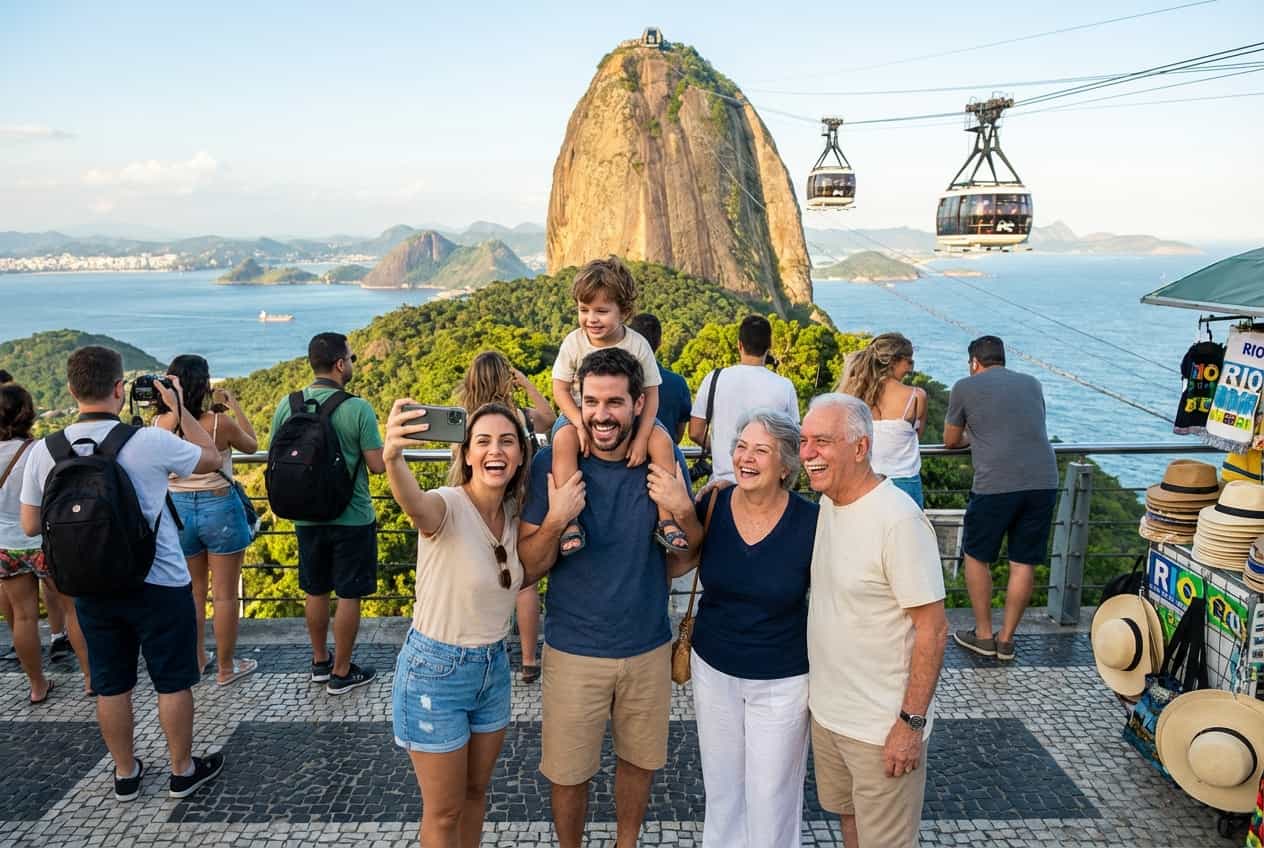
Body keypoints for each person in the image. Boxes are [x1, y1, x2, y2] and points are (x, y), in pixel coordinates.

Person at [20, 345, 226, 801]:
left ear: (72, 390)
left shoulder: (45, 451)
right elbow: (211, 458)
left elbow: (32, 525)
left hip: (89, 584)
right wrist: (176, 408)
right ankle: (181, 770)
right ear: (119, 389)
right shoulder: (148, 441)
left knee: (112, 684)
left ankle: (125, 773)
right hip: (160, 581)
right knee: (172, 680)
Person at [519, 347, 700, 848]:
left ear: (638, 404)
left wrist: (683, 511)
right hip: (574, 650)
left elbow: (687, 554)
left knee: (639, 763)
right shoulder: (549, 466)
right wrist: (558, 518)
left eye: (615, 402)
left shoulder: (664, 459)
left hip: (646, 646)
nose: (602, 415)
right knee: (568, 772)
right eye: (592, 401)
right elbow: (528, 568)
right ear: (578, 401)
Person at [385, 398, 580, 848]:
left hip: (493, 669)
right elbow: (414, 504)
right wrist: (394, 457)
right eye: (484, 441)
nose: (496, 450)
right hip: (435, 675)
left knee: (475, 797)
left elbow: (532, 567)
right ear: (467, 454)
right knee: (444, 810)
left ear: (520, 455)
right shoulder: (448, 506)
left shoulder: (514, 517)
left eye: (507, 441)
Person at [801, 393, 948, 848]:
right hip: (829, 717)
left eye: (822, 442)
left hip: (880, 729)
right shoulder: (830, 503)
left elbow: (933, 629)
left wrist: (910, 723)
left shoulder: (899, 521)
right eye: (804, 441)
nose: (807, 453)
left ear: (860, 448)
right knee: (851, 827)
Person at [674, 408, 818, 847]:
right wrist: (679, 507)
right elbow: (677, 563)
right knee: (722, 792)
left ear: (786, 465)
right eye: (740, 447)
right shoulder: (712, 503)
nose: (746, 458)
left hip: (783, 679)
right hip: (713, 669)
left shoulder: (811, 523)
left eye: (761, 450)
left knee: (772, 795)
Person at [270, 332, 385, 694]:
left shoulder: (287, 406)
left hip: (305, 515)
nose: (352, 363)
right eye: (350, 358)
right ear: (340, 364)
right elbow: (378, 466)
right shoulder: (357, 408)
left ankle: (320, 661)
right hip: (351, 517)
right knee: (349, 594)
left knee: (315, 590)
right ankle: (342, 670)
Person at [550, 257, 687, 556]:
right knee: (562, 441)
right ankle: (569, 521)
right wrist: (576, 423)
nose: (591, 319)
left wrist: (641, 438)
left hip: (632, 417)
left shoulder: (637, 344)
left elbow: (651, 395)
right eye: (584, 310)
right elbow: (559, 388)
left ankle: (666, 519)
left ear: (624, 312)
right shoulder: (574, 342)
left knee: (663, 441)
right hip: (579, 413)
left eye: (602, 311)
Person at [943, 335, 1058, 662]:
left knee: (977, 556)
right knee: (1023, 562)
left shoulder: (965, 386)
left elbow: (951, 440)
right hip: (1043, 480)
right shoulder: (1032, 383)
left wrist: (974, 435)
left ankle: (983, 635)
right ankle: (1006, 640)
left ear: (974, 362)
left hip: (996, 483)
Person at [155, 355, 259, 686]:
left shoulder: (159, 424)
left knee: (194, 592)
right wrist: (232, 404)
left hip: (178, 510)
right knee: (225, 595)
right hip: (220, 507)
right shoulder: (218, 423)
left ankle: (198, 660)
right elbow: (253, 444)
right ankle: (227, 669)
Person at [456, 351, 556, 684]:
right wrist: (526, 383)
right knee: (523, 581)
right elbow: (549, 416)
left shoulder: (467, 420)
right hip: (519, 503)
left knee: (479, 575)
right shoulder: (519, 417)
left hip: (478, 505)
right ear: (505, 379)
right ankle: (529, 661)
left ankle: (481, 646)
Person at [0, 381, 89, 702]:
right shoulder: (39, 451)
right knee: (72, 610)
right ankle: (91, 678)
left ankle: (37, 686)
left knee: (22, 617)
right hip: (44, 541)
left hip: (5, 546)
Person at [689, 315, 799, 487]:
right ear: (768, 347)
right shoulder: (784, 386)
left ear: (739, 344)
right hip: (766, 488)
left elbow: (695, 432)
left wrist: (720, 449)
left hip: (722, 487)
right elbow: (793, 442)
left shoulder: (714, 379)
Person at [841, 333, 927, 507]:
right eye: (909, 362)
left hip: (864, 480)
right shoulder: (916, 396)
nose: (911, 369)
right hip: (905, 482)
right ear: (894, 361)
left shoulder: (853, 394)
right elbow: (918, 435)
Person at [627, 313, 692, 443]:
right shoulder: (678, 383)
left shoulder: (614, 380)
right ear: (659, 342)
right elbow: (678, 435)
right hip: (666, 455)